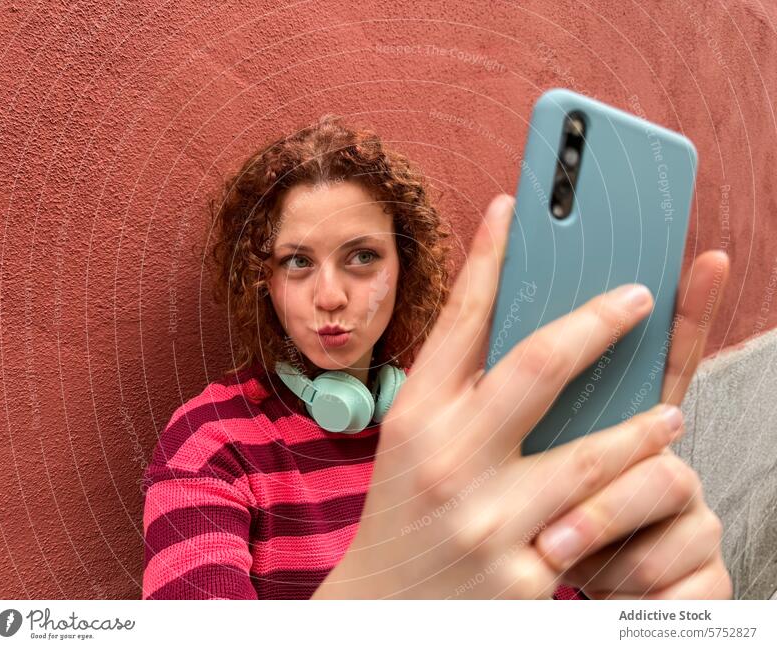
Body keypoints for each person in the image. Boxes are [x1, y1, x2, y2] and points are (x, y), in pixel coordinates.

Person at [141, 115, 733, 599]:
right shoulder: (211, 445)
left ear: (405, 267)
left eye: (362, 257)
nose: (330, 296)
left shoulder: (471, 421)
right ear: (261, 282)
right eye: (297, 261)